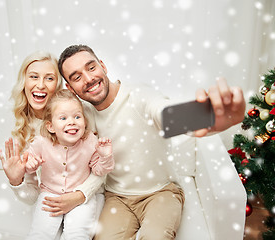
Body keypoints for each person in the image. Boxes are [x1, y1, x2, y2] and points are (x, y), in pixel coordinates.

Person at [54, 44, 246, 240]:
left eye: (91, 67)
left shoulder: (138, 95)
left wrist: (205, 117)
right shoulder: (81, 117)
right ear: (70, 88)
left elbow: (163, 112)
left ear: (102, 66)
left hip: (161, 192)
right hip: (117, 198)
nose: (88, 79)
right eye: (76, 77)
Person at [0, 51, 105, 235]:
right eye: (33, 77)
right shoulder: (22, 129)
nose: (40, 85)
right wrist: (17, 181)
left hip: (87, 194)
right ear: (24, 82)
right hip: (52, 195)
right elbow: (32, 197)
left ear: (58, 85)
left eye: (49, 78)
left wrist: (78, 196)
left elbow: (101, 166)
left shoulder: (80, 113)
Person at [23, 89, 114, 239]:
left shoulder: (90, 140)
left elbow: (99, 171)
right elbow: (27, 161)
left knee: (78, 234)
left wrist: (105, 156)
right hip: (49, 195)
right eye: (63, 118)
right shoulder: (41, 142)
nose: (71, 122)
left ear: (84, 121)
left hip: (80, 197)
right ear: (50, 126)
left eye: (77, 116)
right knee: (40, 234)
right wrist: (30, 166)